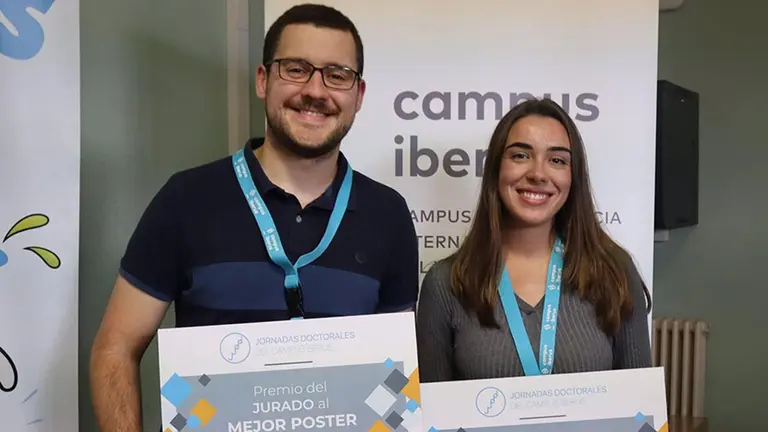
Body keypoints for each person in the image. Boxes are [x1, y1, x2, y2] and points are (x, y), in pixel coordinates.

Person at [90, 4, 419, 431]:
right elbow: (114, 348)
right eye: (296, 69)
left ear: (358, 95)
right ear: (264, 80)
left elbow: (397, 373)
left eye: (337, 75)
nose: (316, 90)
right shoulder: (186, 199)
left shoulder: (388, 214)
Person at [416, 98, 652, 383]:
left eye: (557, 160)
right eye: (520, 156)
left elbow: (639, 411)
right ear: (495, 170)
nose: (538, 174)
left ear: (573, 177)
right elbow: (430, 417)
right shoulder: (446, 283)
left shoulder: (614, 272)